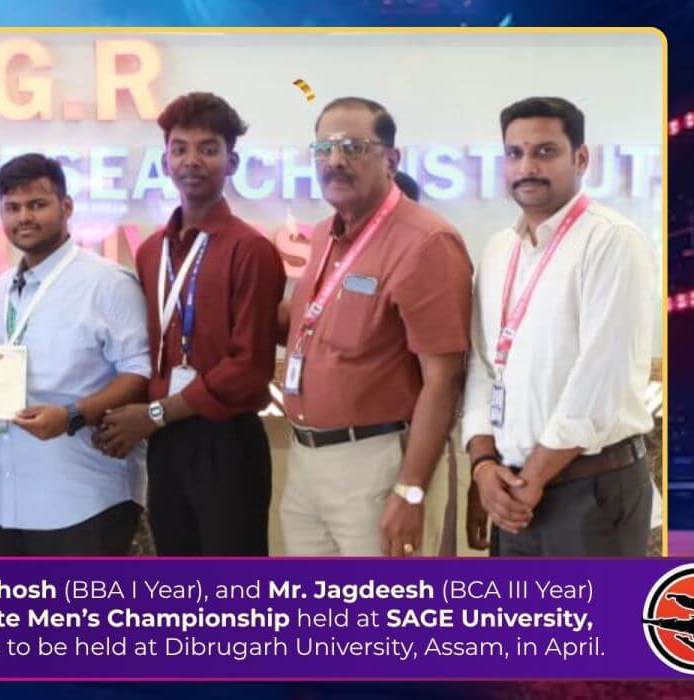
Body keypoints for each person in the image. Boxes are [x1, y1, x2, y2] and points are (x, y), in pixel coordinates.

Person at [277, 97, 473, 557]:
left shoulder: (426, 242)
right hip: (305, 462)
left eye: (353, 147)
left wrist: (411, 489)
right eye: (324, 148)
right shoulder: (323, 235)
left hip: (377, 463)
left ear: (391, 159)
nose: (335, 160)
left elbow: (444, 379)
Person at [463, 97, 657, 557]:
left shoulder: (611, 240)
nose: (527, 167)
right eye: (515, 154)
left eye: (545, 151)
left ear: (581, 158)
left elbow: (600, 379)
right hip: (513, 491)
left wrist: (530, 479)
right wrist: (483, 465)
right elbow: (482, 366)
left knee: (592, 610)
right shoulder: (498, 250)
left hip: (591, 491)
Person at [94, 92, 286, 556]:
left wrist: (155, 413)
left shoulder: (251, 250)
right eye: (179, 149)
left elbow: (248, 368)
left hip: (225, 439)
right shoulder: (150, 252)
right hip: (164, 439)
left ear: (231, 162)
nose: (192, 161)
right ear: (165, 161)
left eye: (208, 149)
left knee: (232, 589)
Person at [0, 154, 150, 556]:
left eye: (37, 205)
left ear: (66, 207)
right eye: (12, 207)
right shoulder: (0, 289)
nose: (24, 217)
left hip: (81, 502)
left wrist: (73, 415)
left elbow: (139, 372)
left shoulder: (108, 283)